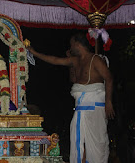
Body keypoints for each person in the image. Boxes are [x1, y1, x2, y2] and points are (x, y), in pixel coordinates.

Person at [26, 32, 115, 163]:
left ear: (78, 44)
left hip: (96, 108)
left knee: (97, 144)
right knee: (79, 143)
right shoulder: (75, 61)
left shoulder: (95, 59)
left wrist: (108, 102)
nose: (70, 47)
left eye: (71, 44)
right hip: (80, 109)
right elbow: (55, 60)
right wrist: (35, 53)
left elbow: (109, 78)